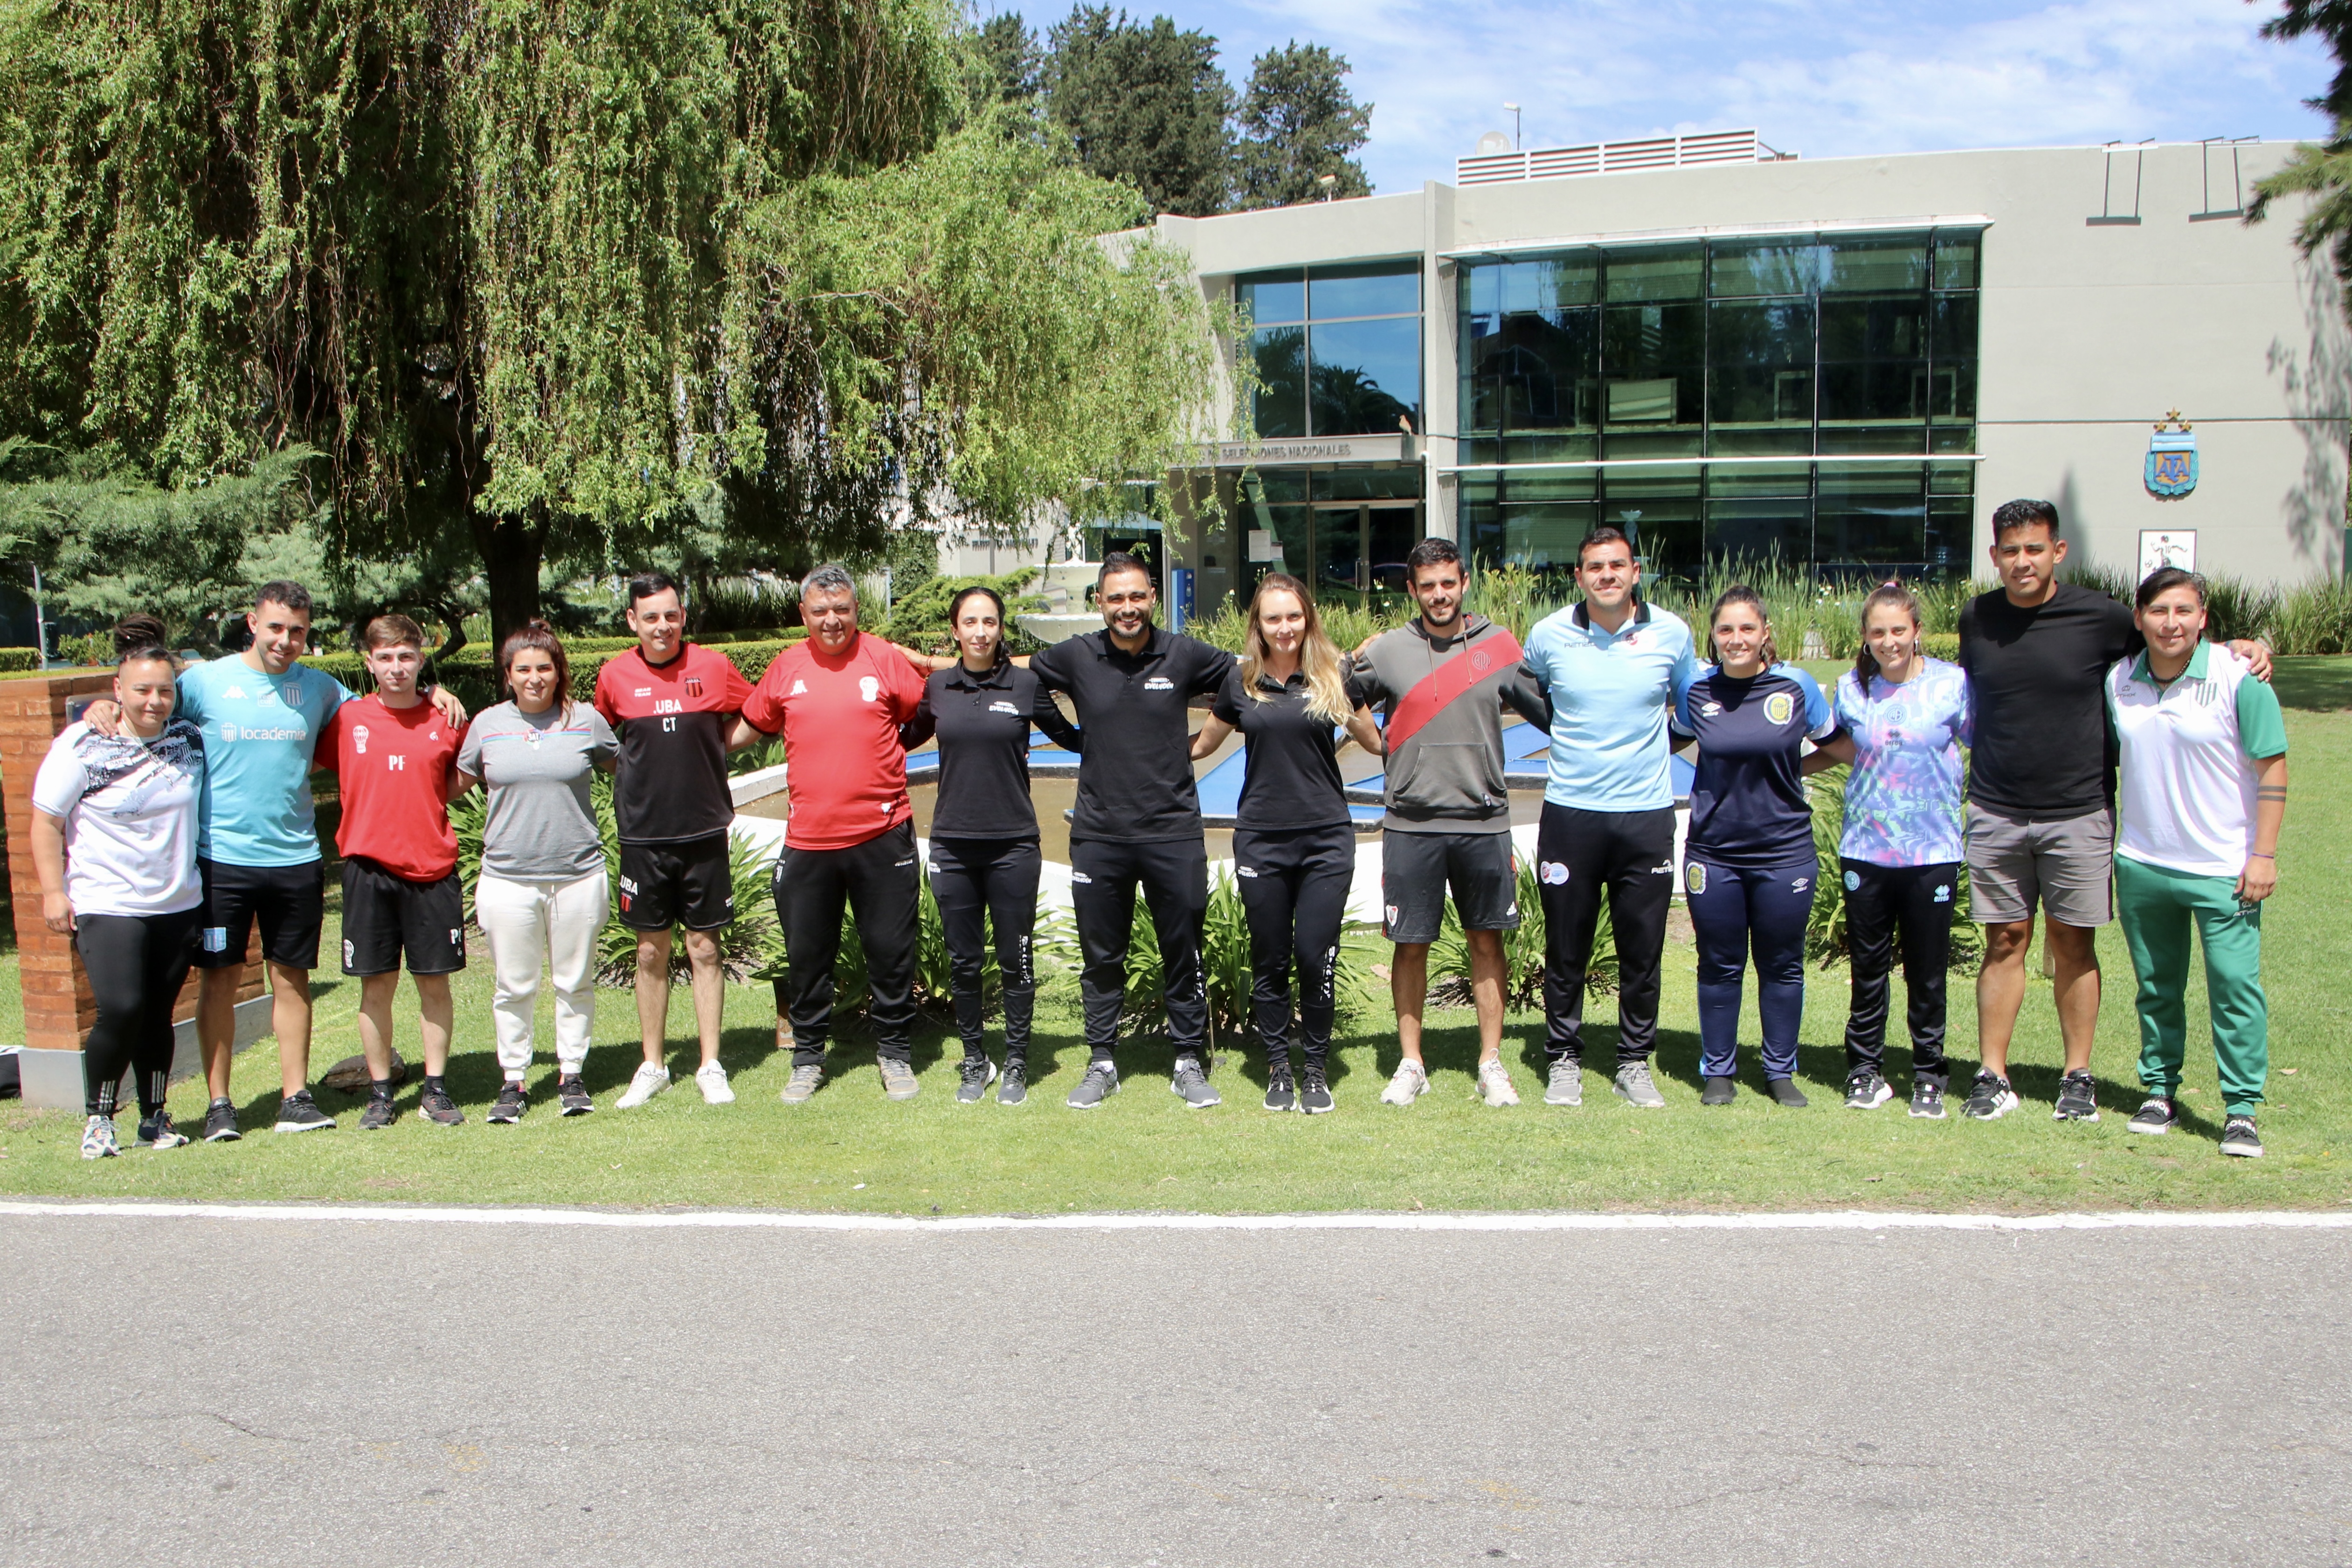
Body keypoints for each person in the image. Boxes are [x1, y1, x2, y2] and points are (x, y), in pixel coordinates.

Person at [82, 581, 465, 1139]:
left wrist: (435, 691)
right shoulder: (204, 682)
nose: (286, 640)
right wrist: (104, 703)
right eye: (276, 627)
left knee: (292, 979)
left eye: (298, 631)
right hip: (221, 859)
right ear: (252, 623)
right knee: (220, 982)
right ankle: (219, 1105)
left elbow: (387, 699)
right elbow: (149, 704)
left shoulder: (321, 689)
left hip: (295, 858)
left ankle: (296, 1098)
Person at [1957, 499, 2269, 1122]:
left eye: (2035, 548)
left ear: (2058, 551)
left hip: (2079, 810)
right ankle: (1992, 1074)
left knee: (2073, 942)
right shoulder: (1976, 617)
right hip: (1995, 808)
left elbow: (2170, 639)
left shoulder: (2100, 616)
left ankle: (2077, 1076)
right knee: (2005, 941)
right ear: (1994, 556)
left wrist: (2242, 647)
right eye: (2010, 550)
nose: (2023, 561)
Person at [1346, 539, 1549, 1108]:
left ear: (1463, 584)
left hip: (1484, 821)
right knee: (1410, 945)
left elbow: (1554, 713)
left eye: (1448, 583)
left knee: (1486, 941)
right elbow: (1338, 693)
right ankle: (1412, 1064)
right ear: (1412, 590)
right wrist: (1371, 735)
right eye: (1427, 586)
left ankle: (1490, 1064)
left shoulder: (1498, 645)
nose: (1439, 595)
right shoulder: (1389, 650)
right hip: (1410, 822)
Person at [1028, 553, 1235, 1110]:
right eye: (1116, 598)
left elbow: (1243, 678)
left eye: (1137, 596)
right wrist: (1073, 739)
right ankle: (1101, 1061)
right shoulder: (1078, 655)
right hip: (1100, 834)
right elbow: (1026, 680)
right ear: (1100, 602)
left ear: (1153, 598)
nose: (1128, 607)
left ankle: (1188, 1060)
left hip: (1173, 831)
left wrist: (1205, 742)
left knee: (1183, 951)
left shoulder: (1183, 653)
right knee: (1102, 957)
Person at [732, 564, 931, 1104]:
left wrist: (894, 748)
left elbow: (926, 711)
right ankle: (807, 1058)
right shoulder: (787, 667)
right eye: (820, 611)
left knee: (890, 952)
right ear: (804, 614)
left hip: (883, 833)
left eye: (842, 609)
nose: (832, 620)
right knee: (807, 956)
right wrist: (686, 746)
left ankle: (894, 1054)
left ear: (856, 609)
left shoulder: (883, 658)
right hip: (809, 842)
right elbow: (748, 726)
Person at [1519, 526, 1702, 1110]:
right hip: (1571, 814)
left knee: (1641, 950)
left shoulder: (1671, 633)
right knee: (1566, 947)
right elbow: (1528, 690)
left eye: (1616, 565)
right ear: (1579, 577)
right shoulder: (1548, 635)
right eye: (1595, 567)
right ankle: (1563, 1059)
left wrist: (1656, 747)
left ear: (1635, 572)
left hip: (1645, 816)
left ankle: (1633, 1062)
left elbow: (1693, 705)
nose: (1606, 576)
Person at [2108, 568, 2288, 1158]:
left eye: (2184, 611)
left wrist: (2263, 855)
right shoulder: (2119, 681)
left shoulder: (2239, 677)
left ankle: (2241, 1110)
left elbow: (2272, 769)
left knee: (2234, 988)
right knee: (2157, 987)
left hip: (2224, 868)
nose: (2171, 623)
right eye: (2159, 611)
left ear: (2203, 618)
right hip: (2143, 863)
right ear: (2139, 618)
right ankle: (2159, 1091)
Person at [1190, 574, 1384, 1113]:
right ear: (1258, 624)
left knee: (1314, 956)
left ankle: (1315, 1068)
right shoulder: (1241, 681)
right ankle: (1279, 1067)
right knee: (1271, 958)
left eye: (1293, 616)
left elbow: (1374, 741)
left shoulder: (1333, 675)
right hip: (1261, 840)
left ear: (1308, 619)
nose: (1284, 628)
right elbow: (1203, 746)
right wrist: (1134, 752)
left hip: (1326, 840)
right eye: (1273, 618)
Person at [30, 617, 206, 1158]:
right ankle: (100, 1119)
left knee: (158, 1014)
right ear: (117, 690)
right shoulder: (84, 743)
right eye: (141, 690)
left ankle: (154, 1118)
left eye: (164, 691)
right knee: (123, 1007)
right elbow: (45, 822)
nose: (154, 701)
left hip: (177, 903)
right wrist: (53, 892)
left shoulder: (188, 738)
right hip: (107, 902)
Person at [1671, 587, 1850, 1107]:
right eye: (1726, 629)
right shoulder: (1696, 690)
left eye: (1747, 628)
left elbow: (1841, 748)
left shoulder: (1795, 687)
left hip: (1783, 851)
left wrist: (1794, 769)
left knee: (1782, 964)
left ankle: (1779, 1071)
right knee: (1719, 963)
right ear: (1712, 635)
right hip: (1714, 853)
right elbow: (1666, 742)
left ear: (1765, 633)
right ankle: (1719, 1071)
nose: (1737, 639)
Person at [910, 584, 1083, 1106]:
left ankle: (1016, 1060)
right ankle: (974, 1060)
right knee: (964, 962)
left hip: (1013, 846)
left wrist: (1131, 729)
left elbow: (1074, 738)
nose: (981, 632)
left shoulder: (1025, 685)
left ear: (1001, 628)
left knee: (1016, 958)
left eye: (990, 622)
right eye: (970, 622)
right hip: (953, 845)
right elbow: (897, 738)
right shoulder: (938, 687)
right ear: (956, 630)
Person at [593, 572, 754, 1108]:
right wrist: (633, 772)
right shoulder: (614, 675)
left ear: (683, 617)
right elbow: (601, 739)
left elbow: (758, 713)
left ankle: (711, 1065)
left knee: (705, 947)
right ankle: (653, 1066)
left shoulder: (713, 666)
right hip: (644, 837)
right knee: (649, 952)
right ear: (632, 621)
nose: (662, 626)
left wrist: (716, 745)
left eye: (670, 615)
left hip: (704, 830)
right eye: (650, 617)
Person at [452, 622, 618, 1122]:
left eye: (544, 668)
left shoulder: (585, 720)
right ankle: (514, 1079)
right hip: (508, 877)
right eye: (523, 669)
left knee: (575, 982)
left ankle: (572, 1074)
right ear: (508, 675)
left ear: (558, 671)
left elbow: (629, 769)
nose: (534, 678)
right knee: (514, 986)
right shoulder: (487, 724)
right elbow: (450, 783)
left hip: (578, 874)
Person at [315, 616, 471, 1128]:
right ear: (369, 663)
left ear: (422, 659)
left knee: (434, 986)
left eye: (406, 656)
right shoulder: (348, 719)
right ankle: (380, 1093)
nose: (397, 667)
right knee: (375, 988)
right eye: (385, 658)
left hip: (431, 870)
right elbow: (309, 758)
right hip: (368, 872)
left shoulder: (446, 718)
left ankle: (435, 1089)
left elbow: (463, 775)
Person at [1834, 582, 1972, 1118]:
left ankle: (1929, 1075)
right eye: (1878, 632)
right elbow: (1835, 748)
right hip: (1865, 850)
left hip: (1931, 852)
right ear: (1865, 637)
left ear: (1916, 631)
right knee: (1867, 969)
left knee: (1926, 971)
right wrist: (1778, 770)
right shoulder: (1851, 689)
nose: (1888, 642)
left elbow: (1985, 742)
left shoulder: (1951, 684)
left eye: (1898, 630)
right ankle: (1864, 1071)